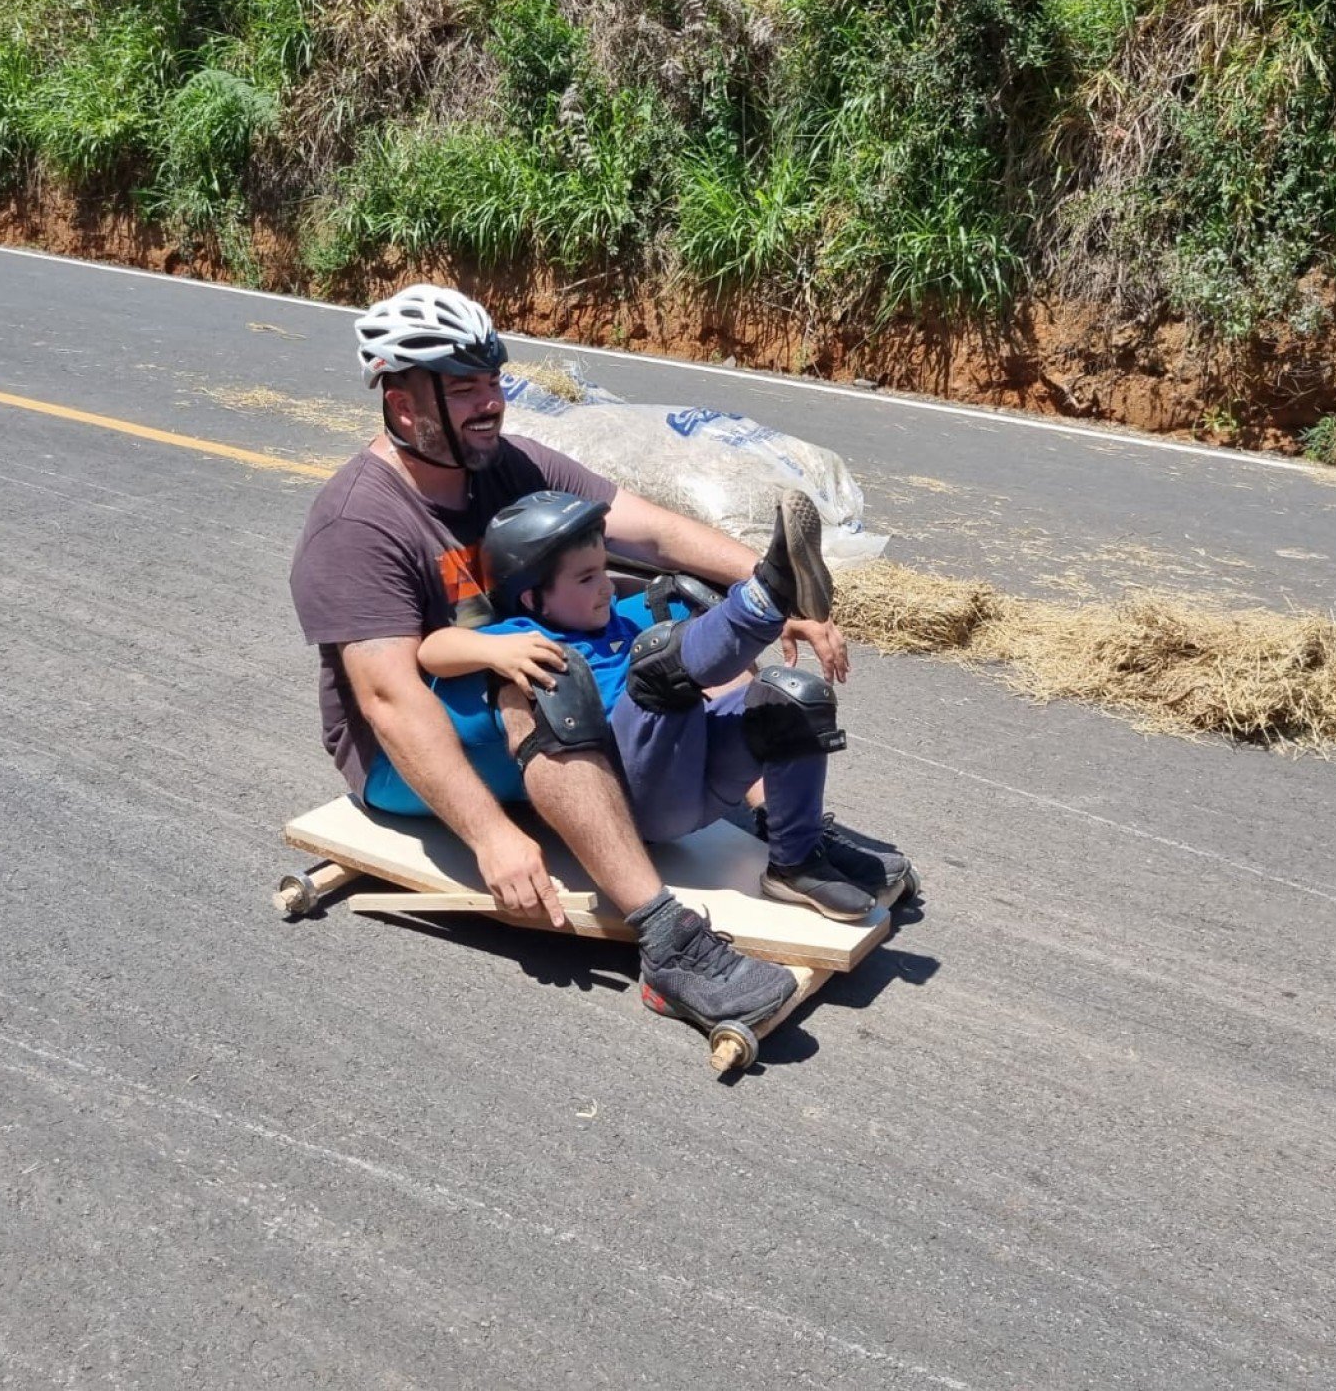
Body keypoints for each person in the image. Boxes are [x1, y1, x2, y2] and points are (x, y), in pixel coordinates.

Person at [290, 284, 860, 1035]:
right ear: (403, 406)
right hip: (401, 755)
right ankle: (666, 941)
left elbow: (649, 531)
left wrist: (768, 587)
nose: (490, 402)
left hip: (506, 685)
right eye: (464, 389)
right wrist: (490, 836)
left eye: (492, 381)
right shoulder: (358, 523)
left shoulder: (508, 463)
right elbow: (389, 698)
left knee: (674, 607)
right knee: (540, 680)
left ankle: (785, 835)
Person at [417, 489, 910, 923]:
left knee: (788, 700)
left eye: (604, 572)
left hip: (693, 779)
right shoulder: (525, 635)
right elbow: (432, 652)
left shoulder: (618, 626)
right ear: (532, 599)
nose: (607, 587)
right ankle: (764, 598)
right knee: (660, 662)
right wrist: (490, 650)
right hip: (632, 801)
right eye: (586, 578)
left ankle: (796, 862)